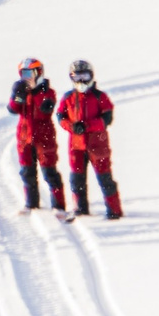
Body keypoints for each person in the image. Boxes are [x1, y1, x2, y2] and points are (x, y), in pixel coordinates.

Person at [54, 61, 120, 219]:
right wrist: (71, 126)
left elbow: (107, 118)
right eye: (77, 77)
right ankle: (80, 209)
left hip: (98, 144)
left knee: (105, 178)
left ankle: (114, 211)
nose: (81, 80)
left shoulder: (100, 96)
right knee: (77, 178)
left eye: (84, 76)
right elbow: (61, 116)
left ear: (91, 76)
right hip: (76, 145)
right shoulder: (68, 97)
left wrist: (87, 125)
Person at [8, 59, 63, 214]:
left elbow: (46, 108)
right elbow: (13, 108)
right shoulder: (23, 91)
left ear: (38, 73)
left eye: (30, 73)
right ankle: (31, 203)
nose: (28, 78)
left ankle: (58, 205)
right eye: (24, 74)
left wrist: (38, 92)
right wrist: (17, 94)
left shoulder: (47, 91)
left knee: (49, 172)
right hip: (25, 137)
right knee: (27, 171)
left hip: (44, 137)